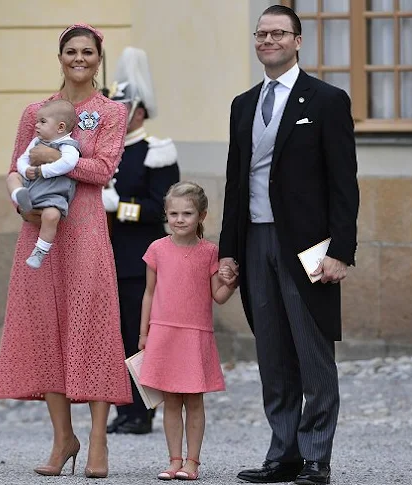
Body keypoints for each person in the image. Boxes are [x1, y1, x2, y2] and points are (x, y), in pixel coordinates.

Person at [218, 5, 359, 485]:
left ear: (298, 41)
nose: (268, 40)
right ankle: (284, 454)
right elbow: (236, 184)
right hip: (255, 238)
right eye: (261, 34)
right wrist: (227, 250)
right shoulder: (242, 104)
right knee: (273, 353)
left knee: (313, 350)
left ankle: (317, 456)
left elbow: (344, 183)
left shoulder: (326, 100)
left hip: (309, 244)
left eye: (279, 33)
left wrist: (341, 249)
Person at [0, 23, 132, 479]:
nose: (79, 58)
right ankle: (62, 438)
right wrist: (21, 203)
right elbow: (14, 167)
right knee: (45, 330)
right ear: (60, 57)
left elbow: (104, 168)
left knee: (92, 329)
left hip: (87, 230)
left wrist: (55, 160)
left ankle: (97, 439)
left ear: (98, 58)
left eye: (87, 52)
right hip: (39, 234)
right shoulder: (35, 110)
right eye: (71, 51)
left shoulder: (110, 112)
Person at [103, 46, 180, 435]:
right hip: (106, 259)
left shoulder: (156, 152)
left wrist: (120, 207)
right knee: (113, 338)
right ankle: (123, 408)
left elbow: (160, 210)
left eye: (125, 110)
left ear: (141, 112)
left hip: (138, 259)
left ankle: (142, 411)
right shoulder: (106, 153)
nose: (118, 116)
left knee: (138, 335)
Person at [137, 181, 236, 480]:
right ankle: (173, 460)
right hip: (164, 334)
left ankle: (192, 462)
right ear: (166, 214)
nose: (179, 220)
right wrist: (144, 334)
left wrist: (232, 282)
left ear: (202, 216)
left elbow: (217, 296)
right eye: (174, 213)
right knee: (170, 402)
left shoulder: (210, 252)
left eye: (187, 214)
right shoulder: (156, 249)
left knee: (194, 401)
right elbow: (149, 294)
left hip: (194, 335)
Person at [6, 99, 81, 269]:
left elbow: (68, 163)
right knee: (12, 178)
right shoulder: (36, 141)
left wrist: (43, 171)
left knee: (51, 216)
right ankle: (20, 195)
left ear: (60, 127)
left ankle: (39, 251)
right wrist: (25, 170)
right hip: (32, 186)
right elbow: (22, 159)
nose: (36, 126)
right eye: (37, 121)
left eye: (42, 122)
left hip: (53, 195)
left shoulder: (68, 146)